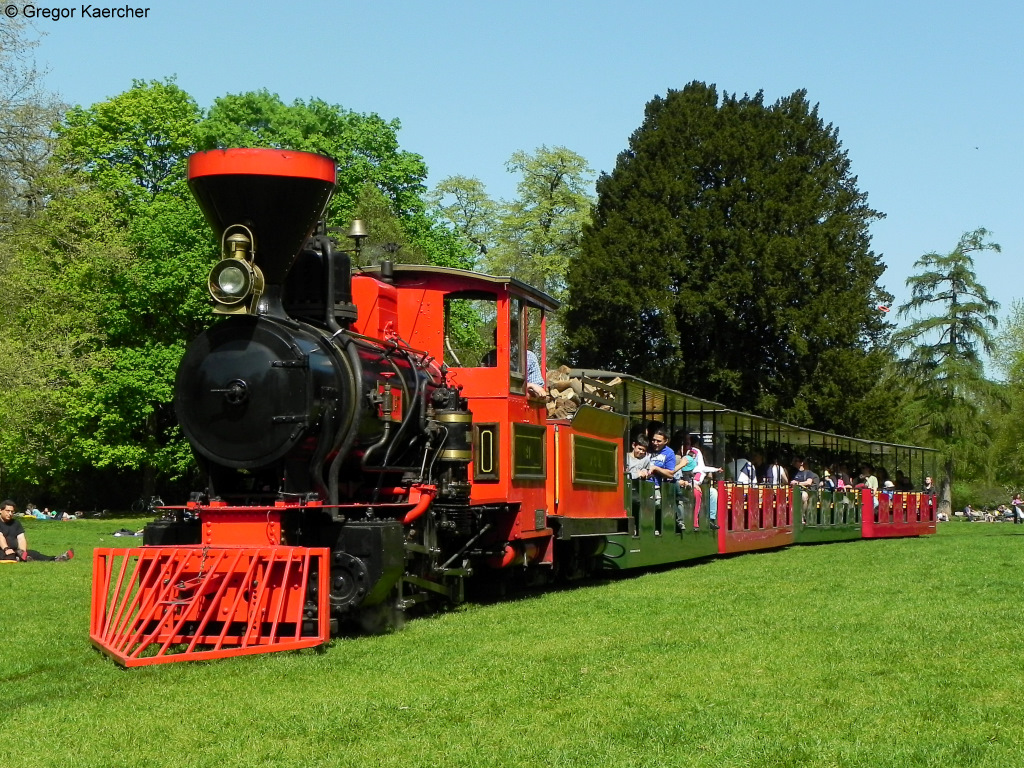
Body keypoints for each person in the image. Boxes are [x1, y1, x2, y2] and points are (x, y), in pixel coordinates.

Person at [0, 500, 74, 562]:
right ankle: (19, 558)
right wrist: (6, 548)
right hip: (3, 550)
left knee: (34, 553)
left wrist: (22, 551)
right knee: (5, 555)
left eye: (12, 511)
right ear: (0, 510)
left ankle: (56, 559)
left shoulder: (16, 523)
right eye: (7, 511)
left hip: (15, 551)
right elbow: (0, 537)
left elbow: (21, 538)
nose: (10, 513)